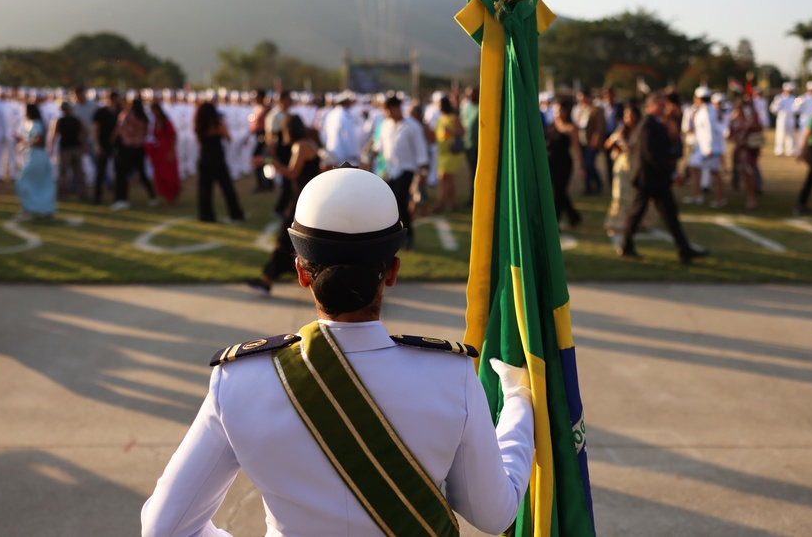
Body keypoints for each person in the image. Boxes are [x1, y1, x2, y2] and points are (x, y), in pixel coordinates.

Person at [142, 167, 536, 537]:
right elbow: (493, 513)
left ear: (300, 272)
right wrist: (519, 401)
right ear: (393, 271)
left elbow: (165, 528)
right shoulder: (450, 376)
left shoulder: (239, 380)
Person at [618, 93, 709, 263]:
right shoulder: (648, 125)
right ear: (650, 106)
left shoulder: (657, 123)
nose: (664, 108)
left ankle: (684, 249)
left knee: (670, 214)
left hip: (657, 179)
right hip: (648, 179)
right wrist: (672, 173)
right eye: (660, 105)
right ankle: (626, 245)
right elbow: (651, 155)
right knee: (637, 213)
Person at [246, 114, 322, 295]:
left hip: (299, 200)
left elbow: (292, 174)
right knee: (295, 242)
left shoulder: (300, 146)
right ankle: (272, 278)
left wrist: (270, 162)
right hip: (307, 198)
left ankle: (267, 279)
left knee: (284, 240)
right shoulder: (310, 142)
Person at [373, 96, 429, 249]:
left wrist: (423, 172)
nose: (387, 113)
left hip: (406, 168)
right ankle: (393, 234)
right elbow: (380, 146)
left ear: (397, 108)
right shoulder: (385, 124)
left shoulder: (412, 126)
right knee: (389, 202)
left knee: (400, 201)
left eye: (389, 109)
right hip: (390, 169)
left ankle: (408, 235)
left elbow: (420, 149)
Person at [604, 101, 654, 239]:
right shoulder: (621, 130)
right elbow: (607, 144)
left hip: (636, 166)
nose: (629, 118)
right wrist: (617, 142)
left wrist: (629, 146)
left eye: (631, 115)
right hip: (622, 167)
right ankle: (617, 223)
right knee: (620, 195)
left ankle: (639, 222)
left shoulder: (641, 130)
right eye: (626, 115)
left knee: (636, 196)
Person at [195, 101, 245, 223]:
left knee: (205, 190)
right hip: (217, 160)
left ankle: (206, 216)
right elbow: (227, 137)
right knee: (227, 189)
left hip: (204, 158)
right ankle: (235, 214)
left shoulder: (199, 124)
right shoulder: (217, 123)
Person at [111, 97, 157, 211]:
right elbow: (147, 132)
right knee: (142, 173)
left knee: (122, 174)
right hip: (139, 148)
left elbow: (119, 130)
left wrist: (113, 140)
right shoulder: (144, 117)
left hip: (127, 148)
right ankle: (152, 197)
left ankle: (122, 199)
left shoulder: (126, 115)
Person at [546, 99, 584, 229]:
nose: (558, 113)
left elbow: (577, 148)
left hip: (564, 164)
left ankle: (555, 222)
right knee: (560, 192)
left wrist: (581, 166)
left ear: (566, 111)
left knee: (559, 192)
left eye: (560, 110)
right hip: (550, 163)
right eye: (555, 110)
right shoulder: (551, 124)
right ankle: (574, 217)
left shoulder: (571, 128)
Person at [15, 104, 57, 219]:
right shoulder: (32, 123)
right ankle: (43, 209)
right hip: (35, 156)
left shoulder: (36, 124)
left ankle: (30, 209)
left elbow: (38, 140)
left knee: (24, 181)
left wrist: (24, 141)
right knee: (41, 183)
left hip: (37, 156)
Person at [726, 97, 763, 209]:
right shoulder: (734, 119)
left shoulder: (750, 119)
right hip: (739, 150)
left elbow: (758, 130)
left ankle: (751, 197)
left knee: (749, 172)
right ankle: (749, 191)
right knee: (743, 173)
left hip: (749, 151)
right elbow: (730, 135)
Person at [433, 95, 465, 214]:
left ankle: (439, 204)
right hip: (443, 153)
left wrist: (451, 131)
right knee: (449, 180)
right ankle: (453, 203)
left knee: (444, 177)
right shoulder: (440, 119)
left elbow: (462, 131)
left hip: (452, 153)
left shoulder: (453, 118)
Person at [50, 101, 88, 201]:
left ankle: (67, 194)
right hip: (71, 148)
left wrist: (51, 147)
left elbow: (54, 135)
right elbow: (84, 132)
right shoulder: (72, 120)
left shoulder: (63, 120)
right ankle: (78, 194)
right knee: (73, 173)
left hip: (68, 149)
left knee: (69, 173)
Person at [146, 102, 181, 204]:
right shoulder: (155, 122)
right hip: (159, 151)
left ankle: (172, 195)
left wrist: (171, 151)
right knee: (160, 173)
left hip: (167, 149)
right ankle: (166, 194)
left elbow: (173, 136)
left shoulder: (166, 122)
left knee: (169, 174)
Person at [91, 90, 123, 204]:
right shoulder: (101, 112)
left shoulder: (120, 112)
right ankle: (97, 197)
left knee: (118, 172)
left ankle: (118, 197)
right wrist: (96, 145)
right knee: (100, 172)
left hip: (116, 146)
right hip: (103, 145)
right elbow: (94, 129)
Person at [460, 86, 480, 207]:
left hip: (477, 145)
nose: (470, 96)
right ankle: (472, 196)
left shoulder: (482, 107)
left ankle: (476, 197)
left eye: (473, 94)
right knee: (472, 173)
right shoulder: (466, 108)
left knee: (476, 173)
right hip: (468, 145)